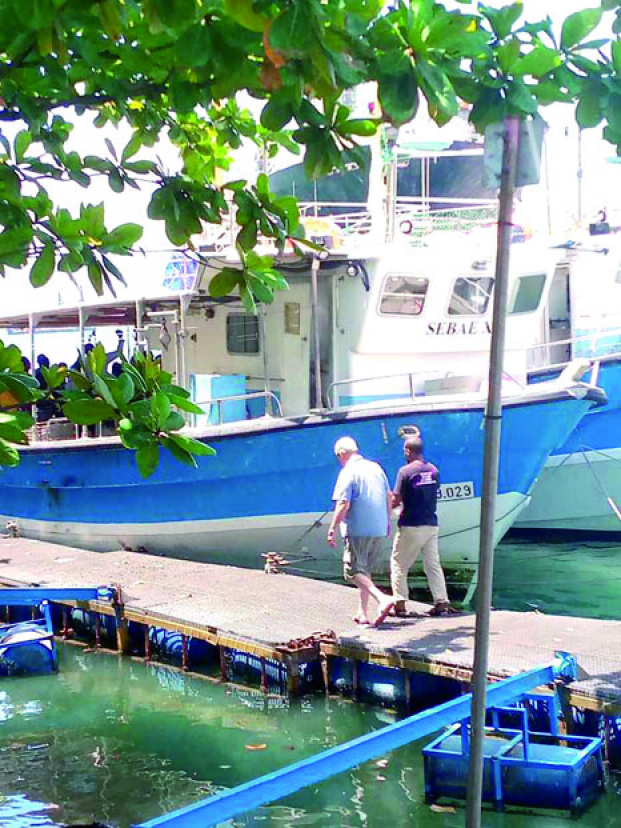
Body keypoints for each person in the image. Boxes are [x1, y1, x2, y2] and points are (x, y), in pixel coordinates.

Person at [327, 436, 394, 627]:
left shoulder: (348, 472)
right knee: (364, 570)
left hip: (358, 528)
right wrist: (387, 521)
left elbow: (343, 503)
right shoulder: (376, 468)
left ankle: (382, 598)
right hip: (379, 528)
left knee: (352, 571)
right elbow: (389, 496)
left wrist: (332, 528)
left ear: (341, 454)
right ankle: (362, 612)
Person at [390, 436, 455, 617]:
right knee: (432, 564)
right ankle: (441, 601)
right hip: (431, 525)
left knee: (398, 564)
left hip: (411, 524)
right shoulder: (434, 470)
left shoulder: (405, 472)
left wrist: (387, 505)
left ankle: (400, 603)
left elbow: (397, 499)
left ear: (408, 451)